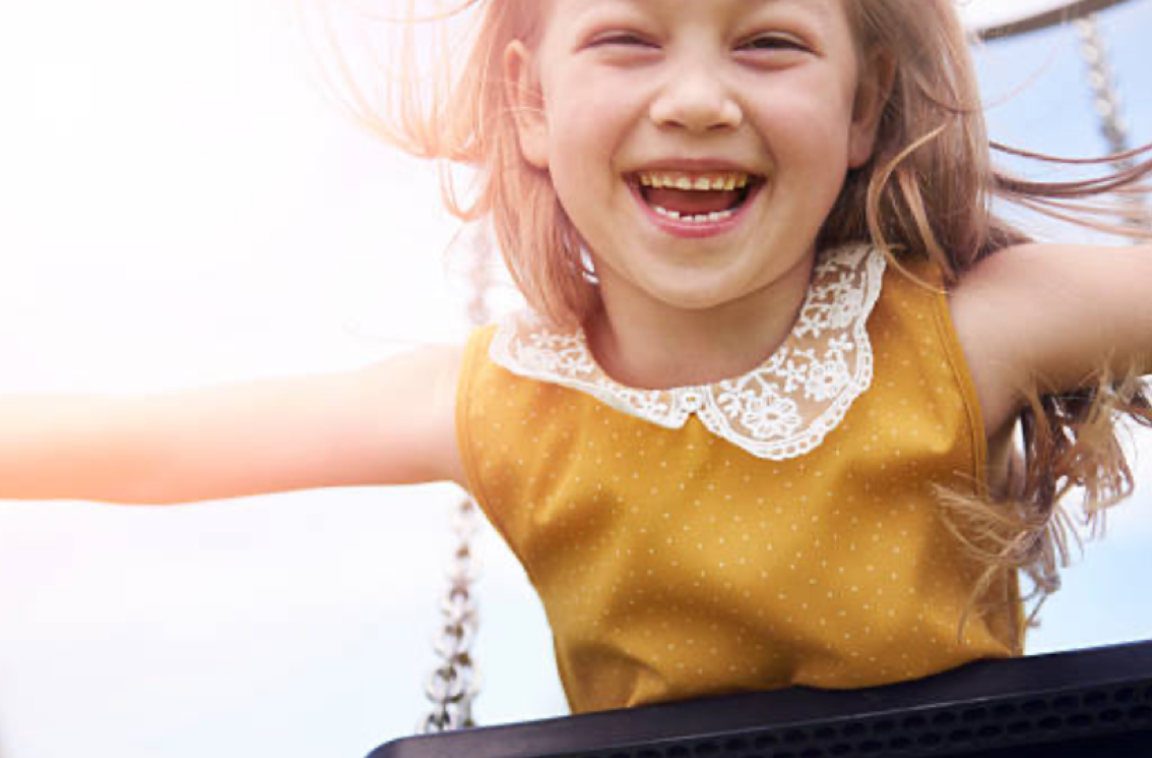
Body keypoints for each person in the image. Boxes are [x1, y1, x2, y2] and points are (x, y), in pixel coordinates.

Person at [4, 0, 1152, 714]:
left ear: (864, 108)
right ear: (531, 105)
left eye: (769, 43)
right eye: (626, 38)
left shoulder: (967, 330)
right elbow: (145, 441)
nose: (697, 99)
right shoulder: (508, 405)